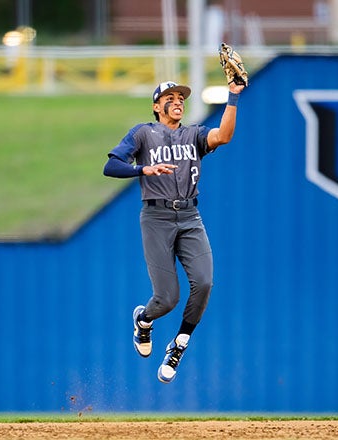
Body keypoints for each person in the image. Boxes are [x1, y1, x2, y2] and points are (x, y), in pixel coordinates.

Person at [103, 79, 245, 383]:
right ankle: (144, 319)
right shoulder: (143, 133)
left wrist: (232, 97)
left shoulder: (192, 134)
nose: (178, 100)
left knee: (205, 283)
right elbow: (112, 166)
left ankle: (179, 345)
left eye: (181, 96)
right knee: (167, 299)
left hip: (190, 215)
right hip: (156, 216)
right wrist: (142, 169)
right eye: (170, 97)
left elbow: (224, 136)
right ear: (156, 106)